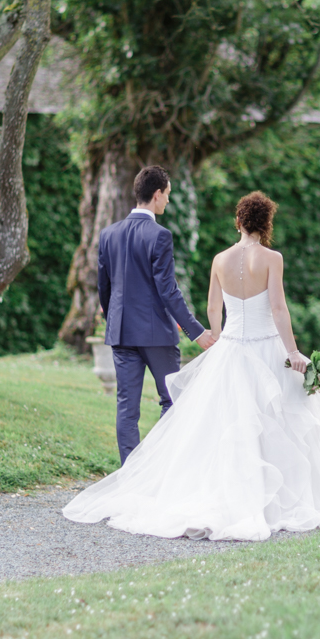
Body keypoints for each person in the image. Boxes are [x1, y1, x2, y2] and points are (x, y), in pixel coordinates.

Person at [63, 190, 320, 541]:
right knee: (277, 421)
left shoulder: (219, 260)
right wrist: (293, 352)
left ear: (238, 221)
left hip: (230, 349)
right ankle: (274, 497)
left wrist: (218, 338)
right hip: (266, 348)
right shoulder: (272, 258)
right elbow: (278, 309)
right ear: (266, 224)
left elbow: (213, 308)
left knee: (224, 425)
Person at [96, 164, 215, 464]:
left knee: (127, 408)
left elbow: (104, 289)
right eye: (168, 195)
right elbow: (168, 291)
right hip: (155, 335)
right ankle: (159, 469)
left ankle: (131, 475)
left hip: (121, 333)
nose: (169, 201)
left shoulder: (108, 234)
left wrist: (113, 320)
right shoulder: (159, 236)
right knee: (173, 399)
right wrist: (197, 331)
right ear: (157, 194)